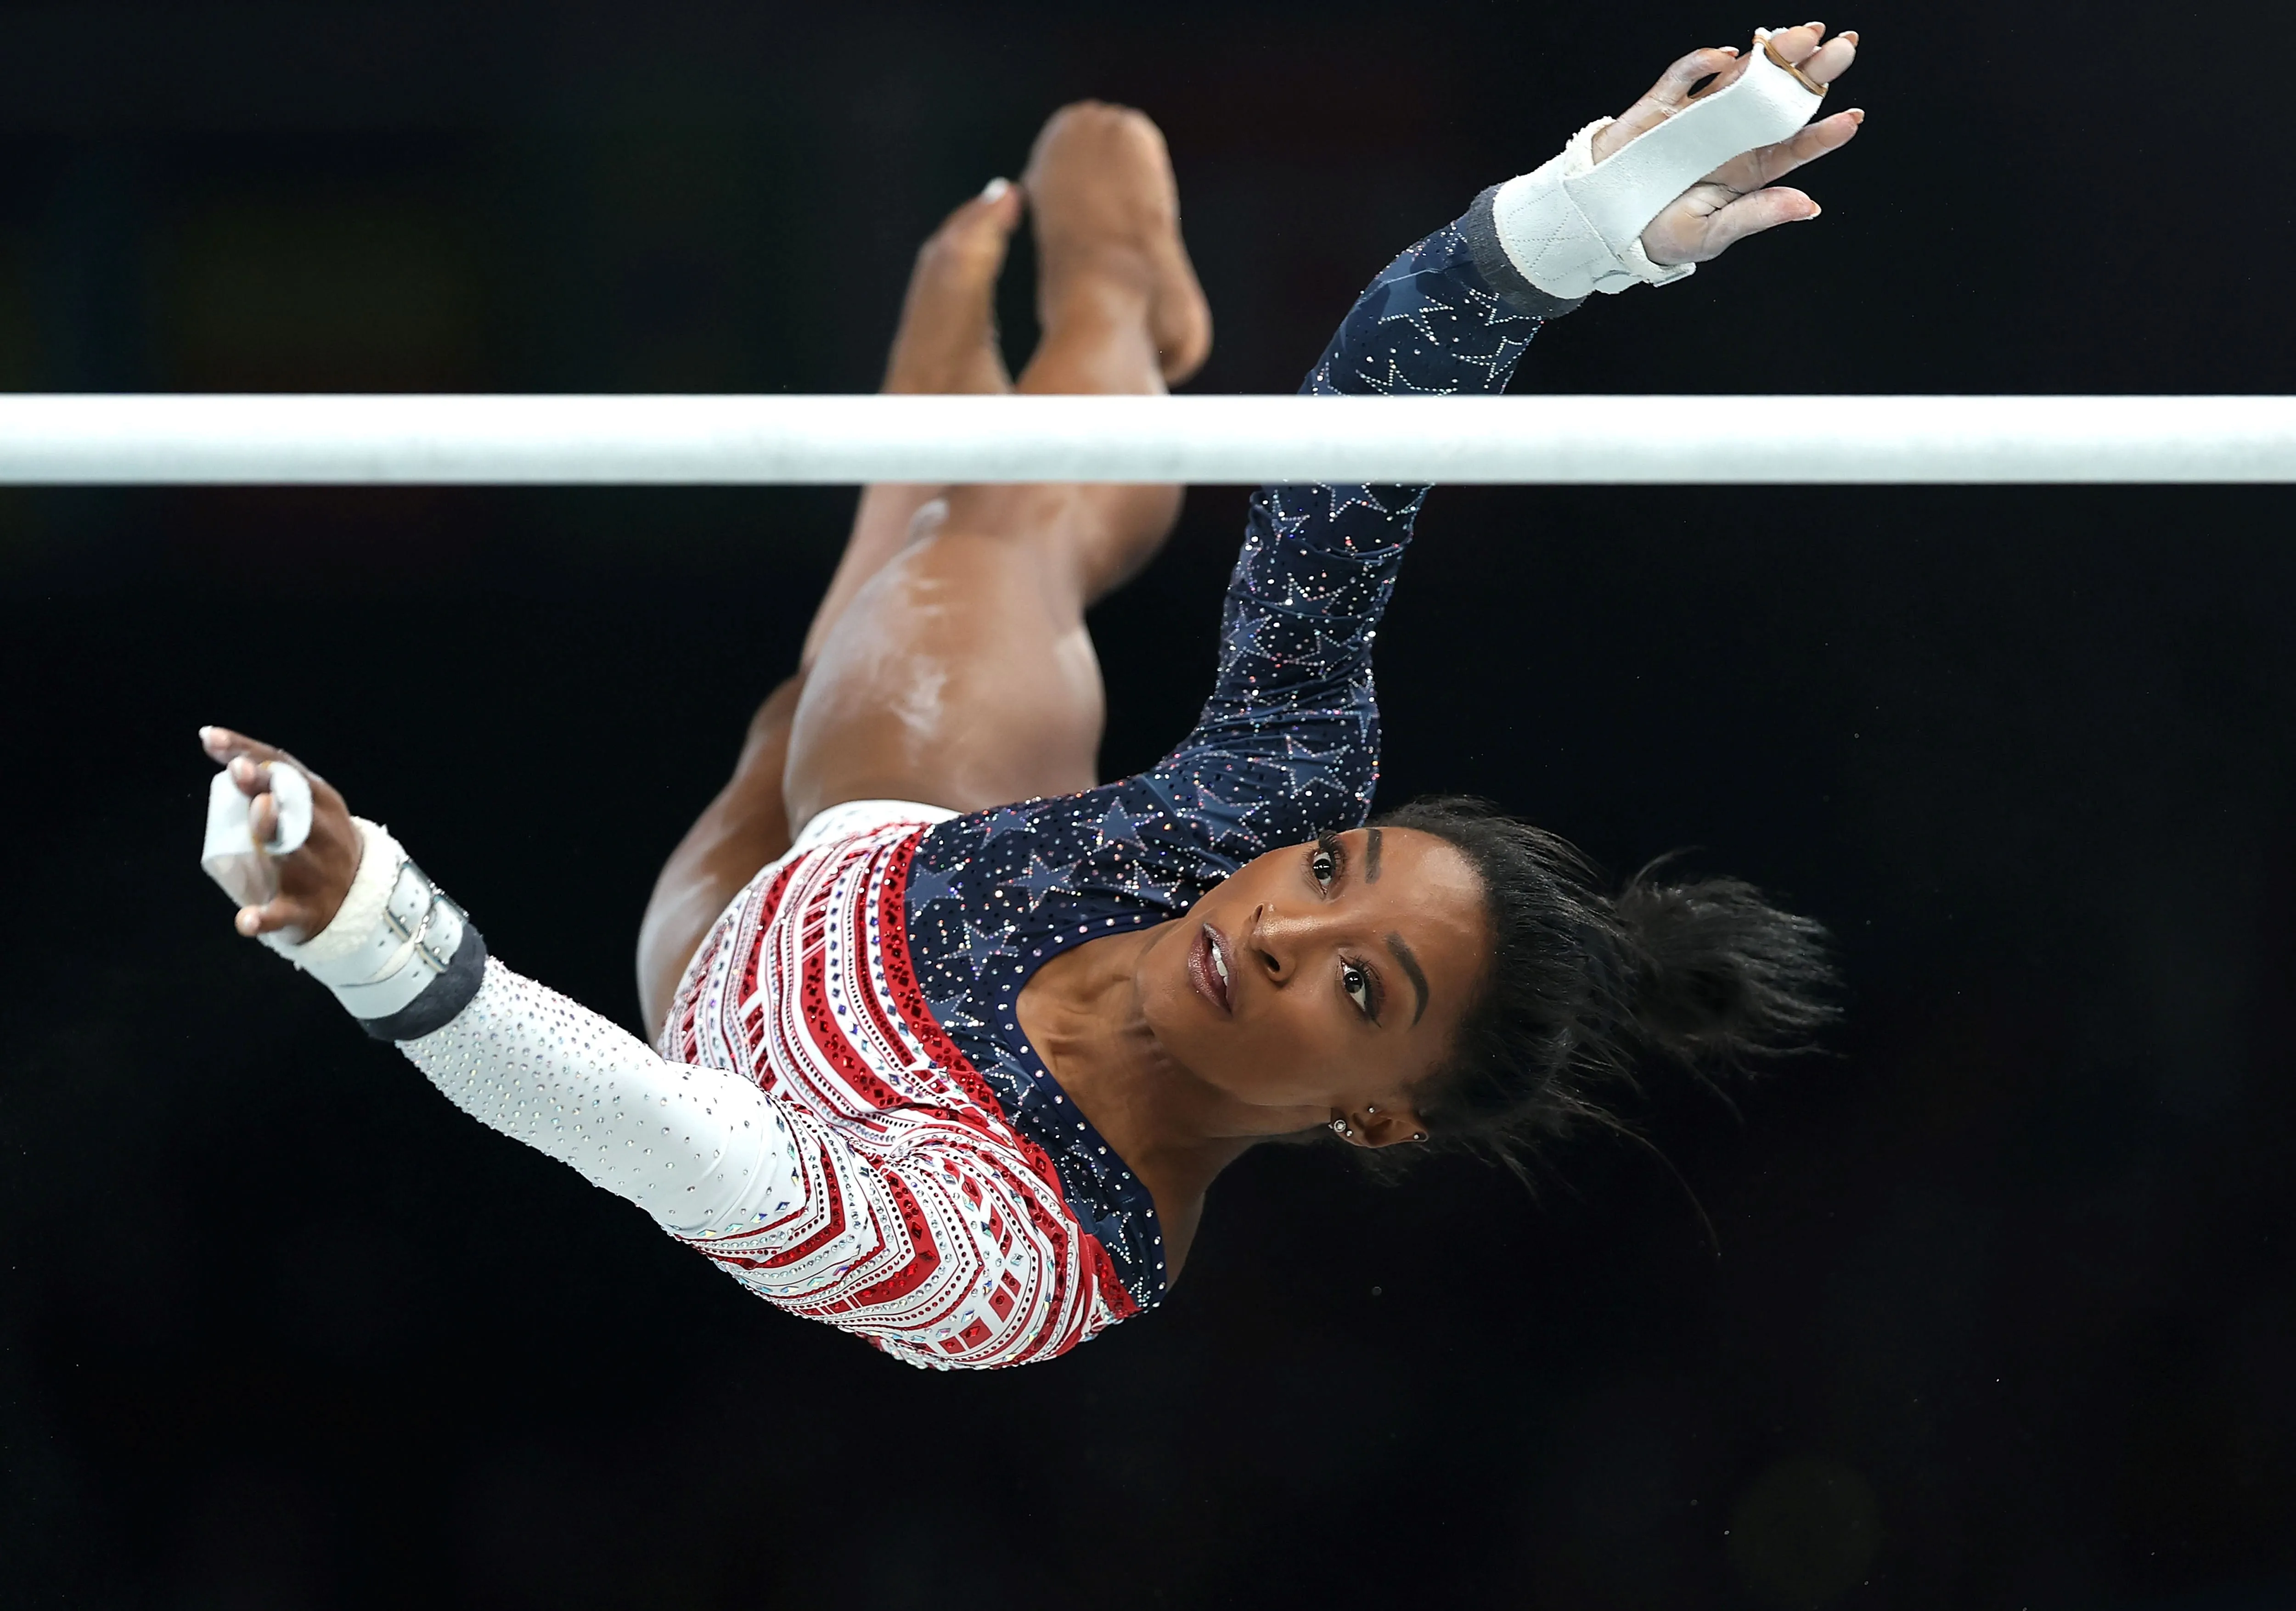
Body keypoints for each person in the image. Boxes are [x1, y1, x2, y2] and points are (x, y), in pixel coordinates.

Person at [201, 26, 1858, 1370]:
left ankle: (932, 441)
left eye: (1365, 996)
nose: (1284, 928)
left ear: (1375, 1116)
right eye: (1336, 879)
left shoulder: (1029, 1255)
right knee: (975, 547)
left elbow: (661, 1140)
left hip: (709, 990)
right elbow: (1349, 446)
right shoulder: (1271, 800)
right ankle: (1107, 323)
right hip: (906, 816)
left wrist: (378, 931)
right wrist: (1576, 227)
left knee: (808, 682)